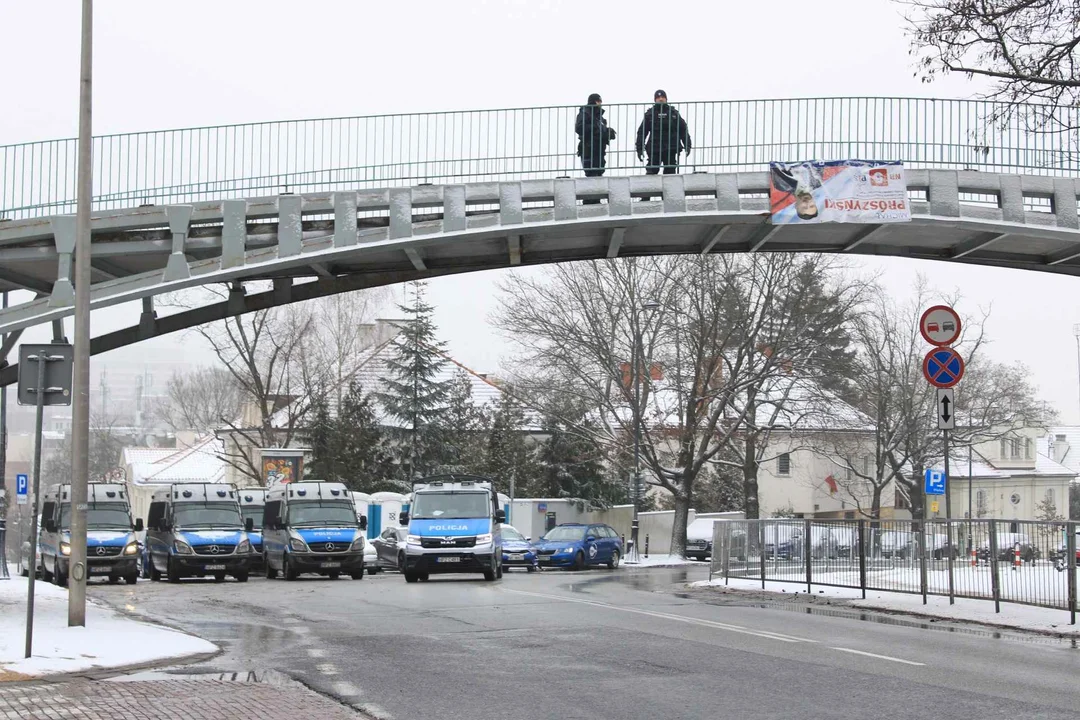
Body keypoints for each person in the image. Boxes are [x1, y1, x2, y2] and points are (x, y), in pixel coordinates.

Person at [635, 90, 691, 175]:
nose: (661, 99)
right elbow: (642, 132)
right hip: (655, 147)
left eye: (663, 97)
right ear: (655, 100)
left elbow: (683, 129)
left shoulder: (673, 113)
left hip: (671, 147)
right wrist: (639, 149)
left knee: (670, 173)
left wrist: (687, 144)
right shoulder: (650, 114)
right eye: (658, 98)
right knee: (651, 171)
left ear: (666, 99)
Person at [575, 94, 616, 204]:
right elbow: (579, 128)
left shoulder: (600, 117)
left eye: (600, 101)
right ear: (593, 102)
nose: (600, 103)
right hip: (589, 148)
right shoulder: (585, 112)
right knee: (591, 173)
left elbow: (599, 131)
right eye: (598, 101)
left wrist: (607, 132)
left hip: (599, 149)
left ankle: (595, 199)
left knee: (598, 172)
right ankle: (589, 200)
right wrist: (596, 128)